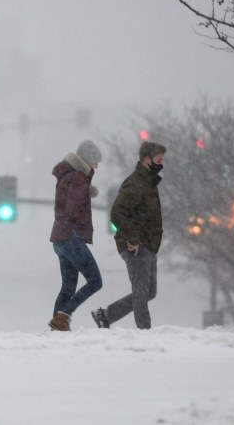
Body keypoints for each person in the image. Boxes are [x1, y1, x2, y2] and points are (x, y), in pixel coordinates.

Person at [92, 141, 166, 330]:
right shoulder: (136, 184)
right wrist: (133, 239)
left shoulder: (148, 182)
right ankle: (145, 333)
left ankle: (106, 316)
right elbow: (117, 213)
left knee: (149, 292)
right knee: (141, 293)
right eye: (159, 160)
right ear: (147, 160)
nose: (161, 164)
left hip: (147, 244)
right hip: (136, 245)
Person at [48, 140, 104, 331]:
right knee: (95, 281)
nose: (97, 166)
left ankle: (58, 326)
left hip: (59, 238)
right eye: (95, 162)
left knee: (68, 287)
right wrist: (80, 228)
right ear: (87, 160)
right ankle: (63, 317)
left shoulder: (67, 176)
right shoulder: (79, 178)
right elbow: (73, 209)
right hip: (71, 238)